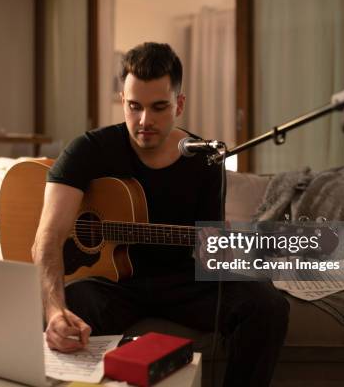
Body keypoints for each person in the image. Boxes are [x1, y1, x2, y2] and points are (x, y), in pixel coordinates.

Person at [32, 42, 289, 386]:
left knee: (267, 304)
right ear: (122, 99)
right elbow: (47, 240)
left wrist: (219, 251)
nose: (144, 121)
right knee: (57, 309)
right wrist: (54, 311)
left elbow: (210, 252)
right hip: (112, 285)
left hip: (183, 282)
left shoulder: (204, 157)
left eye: (159, 107)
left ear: (179, 104)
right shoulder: (88, 150)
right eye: (134, 106)